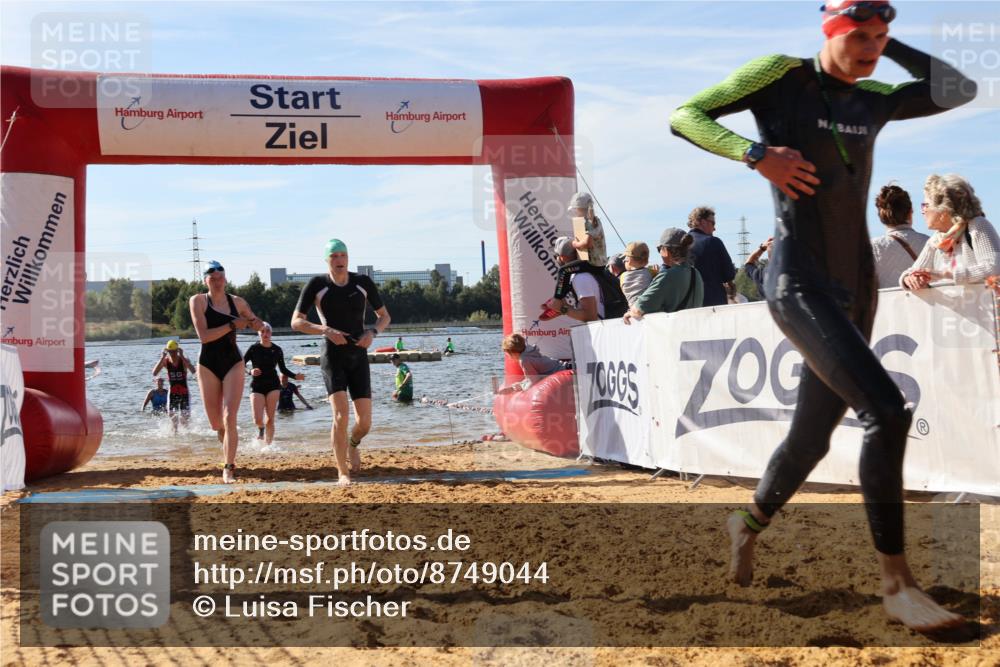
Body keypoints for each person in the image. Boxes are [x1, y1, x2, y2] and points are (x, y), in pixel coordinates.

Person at [669, 0, 975, 631]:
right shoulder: (781, 77)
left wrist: (885, 49)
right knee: (886, 411)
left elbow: (959, 87)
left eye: (881, 37)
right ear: (830, 30)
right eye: (859, 35)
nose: (870, 48)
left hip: (856, 288)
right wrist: (755, 154)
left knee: (811, 435)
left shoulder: (875, 100)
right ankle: (898, 585)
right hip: (798, 282)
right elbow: (685, 115)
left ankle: (746, 522)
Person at [291, 239, 391, 486]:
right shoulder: (317, 285)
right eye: (334, 256)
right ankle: (342, 472)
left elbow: (384, 316)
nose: (339, 260)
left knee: (364, 422)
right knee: (340, 415)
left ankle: (353, 444)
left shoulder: (362, 282)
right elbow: (296, 321)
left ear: (348, 258)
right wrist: (324, 330)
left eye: (343, 255)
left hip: (358, 354)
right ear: (327, 260)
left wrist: (373, 333)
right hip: (333, 356)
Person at [189, 260, 264, 483]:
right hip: (207, 364)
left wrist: (256, 323)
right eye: (212, 276)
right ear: (206, 281)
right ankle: (227, 451)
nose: (217, 279)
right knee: (216, 423)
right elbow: (204, 336)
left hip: (233, 362)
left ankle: (228, 467)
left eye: (220, 275)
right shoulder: (198, 301)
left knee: (229, 416)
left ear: (226, 279)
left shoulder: (237, 302)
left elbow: (255, 323)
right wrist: (232, 325)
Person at [900, 174, 1000, 289]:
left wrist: (946, 275)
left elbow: (994, 267)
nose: (923, 211)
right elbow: (914, 271)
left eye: (925, 205)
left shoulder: (978, 225)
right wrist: (909, 278)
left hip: (981, 306)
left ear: (944, 210)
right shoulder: (936, 239)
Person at [623, 229, 704, 323]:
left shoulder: (667, 276)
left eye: (659, 249)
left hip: (674, 334)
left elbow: (638, 309)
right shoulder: (696, 273)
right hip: (695, 330)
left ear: (666, 251)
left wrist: (629, 313)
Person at [243, 322, 303, 446]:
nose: (265, 334)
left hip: (273, 385)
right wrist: (250, 371)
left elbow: (283, 369)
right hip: (257, 385)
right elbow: (241, 364)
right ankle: (261, 429)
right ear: (258, 333)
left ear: (271, 333)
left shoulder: (277, 349)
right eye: (262, 331)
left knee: (270, 418)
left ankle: (268, 446)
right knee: (257, 419)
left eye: (267, 331)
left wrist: (295, 376)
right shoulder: (253, 348)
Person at [871, 183, 930, 288]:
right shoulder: (930, 242)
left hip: (887, 304)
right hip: (927, 304)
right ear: (910, 212)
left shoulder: (872, 247)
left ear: (881, 216)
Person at [543, 237, 605, 322]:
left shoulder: (581, 278)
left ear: (562, 257)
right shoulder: (586, 273)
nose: (555, 259)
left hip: (600, 331)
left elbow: (591, 317)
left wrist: (562, 308)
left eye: (555, 256)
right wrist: (561, 305)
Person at [686, 206, 737, 307]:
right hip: (712, 303)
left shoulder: (680, 245)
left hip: (686, 305)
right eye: (713, 223)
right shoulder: (713, 242)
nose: (714, 228)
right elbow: (729, 274)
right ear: (702, 222)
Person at [498, 333, 570, 392]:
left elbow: (534, 381)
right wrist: (518, 385)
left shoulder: (524, 360)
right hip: (566, 366)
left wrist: (519, 389)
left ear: (513, 353)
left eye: (508, 354)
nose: (509, 357)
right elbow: (533, 377)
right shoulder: (529, 351)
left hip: (564, 372)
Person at [152, 339, 196, 433]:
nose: (172, 353)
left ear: (178, 350)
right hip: (172, 393)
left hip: (184, 393)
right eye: (169, 351)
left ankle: (187, 437)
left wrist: (183, 356)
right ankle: (175, 435)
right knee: (173, 418)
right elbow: (154, 373)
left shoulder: (183, 360)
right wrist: (162, 358)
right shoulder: (165, 361)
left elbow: (193, 371)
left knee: (184, 419)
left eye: (174, 351)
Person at [567, 192, 608, 268]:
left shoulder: (590, 222)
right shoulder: (593, 221)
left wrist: (575, 244)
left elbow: (588, 243)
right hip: (600, 263)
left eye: (576, 209)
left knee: (563, 271)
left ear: (580, 209)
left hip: (592, 264)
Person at [619, 242, 654, 306]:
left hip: (633, 309)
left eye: (625, 260)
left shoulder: (623, 277)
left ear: (629, 261)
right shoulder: (651, 272)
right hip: (651, 307)